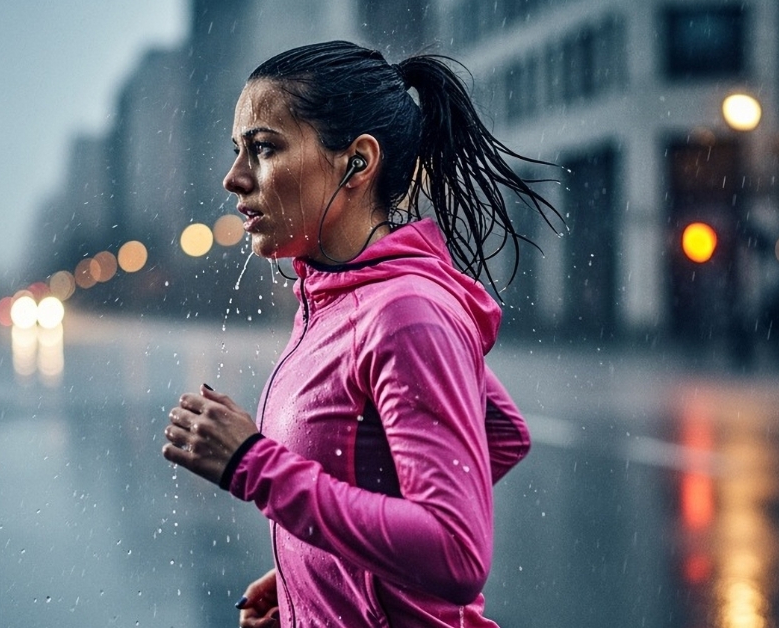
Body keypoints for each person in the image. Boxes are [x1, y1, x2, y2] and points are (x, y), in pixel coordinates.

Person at [162, 40, 558, 627]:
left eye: (264, 148)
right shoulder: (336, 296)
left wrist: (252, 462)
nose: (233, 178)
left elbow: (456, 549)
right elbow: (500, 434)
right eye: (237, 151)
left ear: (357, 162)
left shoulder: (406, 313)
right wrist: (322, 570)